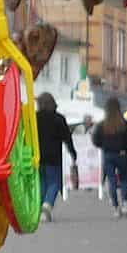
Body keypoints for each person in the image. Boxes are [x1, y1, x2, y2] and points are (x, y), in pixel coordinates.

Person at [92, 98, 127, 218]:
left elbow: (95, 140)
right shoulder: (125, 124)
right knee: (124, 179)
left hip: (108, 154)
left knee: (111, 180)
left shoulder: (102, 125)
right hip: (122, 154)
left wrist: (104, 145)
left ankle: (115, 207)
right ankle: (124, 203)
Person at [35, 93, 77, 221]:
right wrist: (72, 152)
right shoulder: (59, 119)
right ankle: (47, 205)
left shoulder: (35, 118)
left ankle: (41, 208)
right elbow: (67, 138)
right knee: (54, 182)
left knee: (42, 182)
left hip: (38, 156)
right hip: (54, 156)